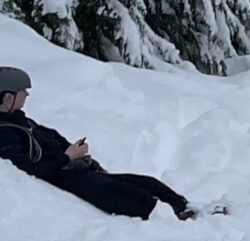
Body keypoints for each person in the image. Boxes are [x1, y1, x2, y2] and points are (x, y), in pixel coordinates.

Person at [0, 66, 199, 220]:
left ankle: (186, 208)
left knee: (145, 182)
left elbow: (51, 139)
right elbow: (31, 167)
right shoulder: (5, 132)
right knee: (130, 194)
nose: (27, 95)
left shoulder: (21, 121)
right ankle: (172, 218)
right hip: (69, 179)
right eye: (22, 91)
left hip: (77, 170)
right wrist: (67, 157)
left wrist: (75, 152)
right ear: (8, 97)